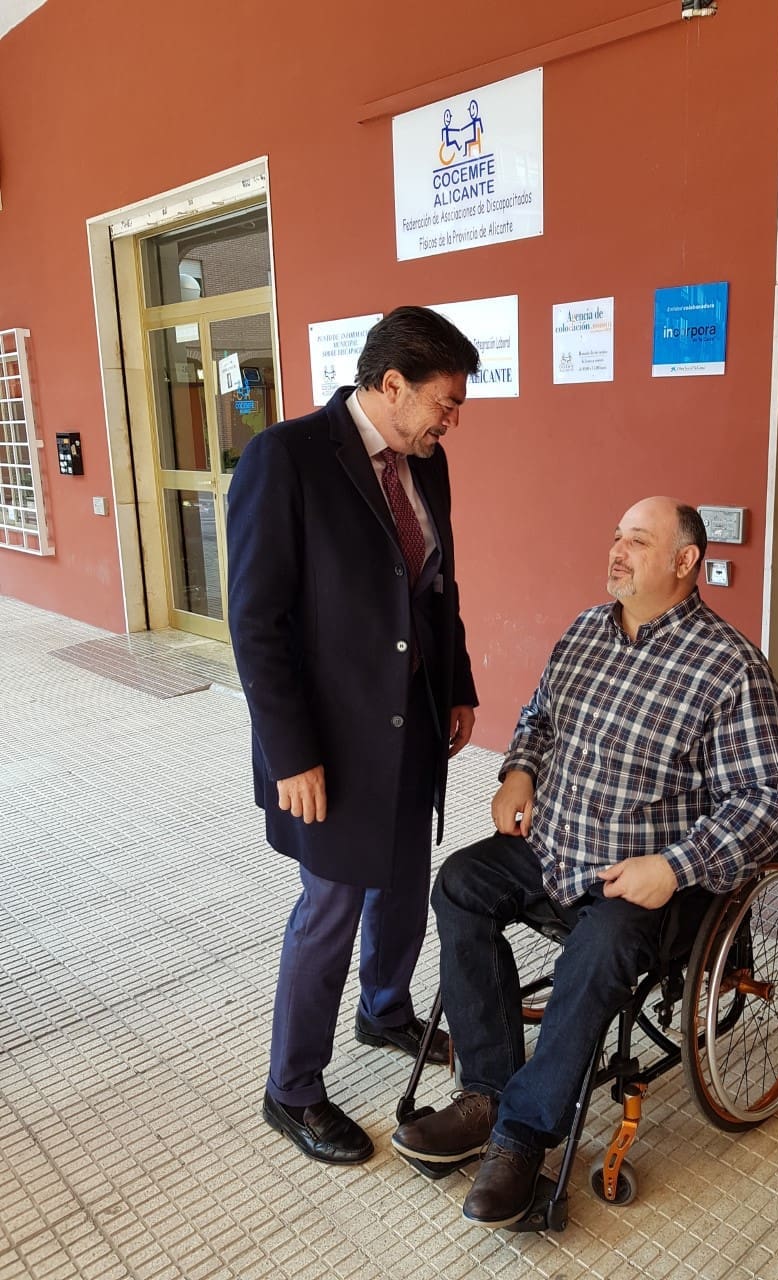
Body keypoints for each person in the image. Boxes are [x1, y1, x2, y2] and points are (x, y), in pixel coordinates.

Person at [391, 497, 778, 1226]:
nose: (617, 551)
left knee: (598, 948)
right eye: (616, 537)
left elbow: (766, 803)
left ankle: (522, 1133)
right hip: (556, 850)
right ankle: (485, 1091)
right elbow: (539, 718)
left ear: (684, 562)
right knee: (458, 885)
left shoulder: (730, 668)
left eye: (637, 542)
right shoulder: (586, 631)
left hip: (648, 882)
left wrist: (673, 865)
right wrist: (519, 771)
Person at [227, 306, 480, 1165]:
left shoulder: (425, 463)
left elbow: (438, 587)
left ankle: (385, 1011)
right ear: (391, 383)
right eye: (444, 403)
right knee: (330, 905)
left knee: (406, 877)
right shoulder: (287, 458)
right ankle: (291, 1089)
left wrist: (461, 684)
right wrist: (290, 753)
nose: (453, 420)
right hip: (327, 740)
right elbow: (256, 622)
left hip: (413, 721)